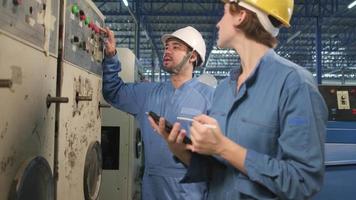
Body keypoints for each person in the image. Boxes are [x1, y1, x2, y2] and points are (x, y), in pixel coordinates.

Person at [150, 0, 328, 199]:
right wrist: (181, 150)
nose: (218, 24)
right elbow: (218, 172)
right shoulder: (224, 89)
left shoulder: (295, 85)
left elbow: (302, 180)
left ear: (240, 15)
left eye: (224, 12)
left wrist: (223, 147)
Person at [102, 26, 214, 200]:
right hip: (152, 190)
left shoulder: (209, 98)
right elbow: (113, 92)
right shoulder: (148, 93)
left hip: (190, 192)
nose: (167, 51)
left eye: (175, 47)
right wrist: (111, 56)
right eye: (166, 47)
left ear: (192, 57)